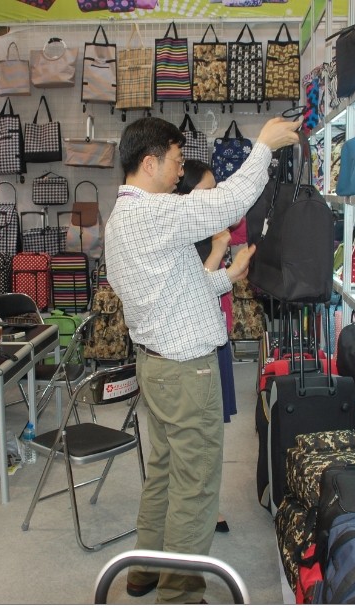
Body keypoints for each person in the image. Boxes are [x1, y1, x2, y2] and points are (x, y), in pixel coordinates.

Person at [105, 116, 301, 603]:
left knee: (165, 473)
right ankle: (179, 595)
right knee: (195, 486)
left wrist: (225, 278)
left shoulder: (121, 218)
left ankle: (145, 569)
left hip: (157, 367)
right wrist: (263, 146)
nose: (180, 171)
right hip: (186, 373)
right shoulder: (157, 213)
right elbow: (230, 202)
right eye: (175, 161)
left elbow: (171, 290)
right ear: (149, 163)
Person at [175, 160, 243, 534]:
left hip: (215, 334)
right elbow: (192, 292)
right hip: (196, 342)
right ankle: (200, 507)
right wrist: (218, 250)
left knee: (211, 427)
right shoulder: (185, 236)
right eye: (207, 190)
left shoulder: (207, 226)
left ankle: (205, 501)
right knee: (199, 430)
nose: (213, 197)